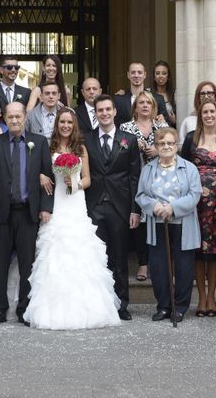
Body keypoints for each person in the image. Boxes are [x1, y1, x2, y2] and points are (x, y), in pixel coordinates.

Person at [24, 107, 121, 329]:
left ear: (74, 125)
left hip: (75, 202)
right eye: (62, 122)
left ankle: (88, 310)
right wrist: (41, 175)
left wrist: (74, 183)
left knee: (79, 252)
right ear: (57, 124)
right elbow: (40, 172)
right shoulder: (47, 147)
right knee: (56, 251)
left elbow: (88, 179)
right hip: (56, 202)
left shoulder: (81, 148)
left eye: (69, 122)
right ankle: (53, 311)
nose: (66, 126)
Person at [0, 102, 54, 327]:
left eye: (18, 116)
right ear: (4, 118)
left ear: (25, 117)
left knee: (27, 264)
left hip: (28, 213)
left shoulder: (40, 142)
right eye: (10, 117)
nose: (14, 120)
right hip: (3, 213)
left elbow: (47, 177)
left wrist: (45, 207)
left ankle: (24, 308)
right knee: (1, 263)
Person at [136, 127, 202, 323]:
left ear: (176, 145)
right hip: (157, 221)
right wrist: (155, 206)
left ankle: (179, 307)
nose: (166, 146)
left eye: (170, 143)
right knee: (158, 266)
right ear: (156, 146)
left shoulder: (189, 168)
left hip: (183, 222)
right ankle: (164, 306)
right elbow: (141, 195)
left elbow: (194, 194)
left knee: (183, 266)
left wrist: (172, 207)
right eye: (162, 143)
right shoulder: (148, 169)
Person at [84, 94, 141, 321]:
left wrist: (135, 209)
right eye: (100, 110)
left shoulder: (129, 139)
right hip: (94, 205)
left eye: (108, 109)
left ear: (115, 112)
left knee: (119, 258)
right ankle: (100, 303)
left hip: (120, 205)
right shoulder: (86, 140)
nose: (105, 113)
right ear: (95, 113)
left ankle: (121, 304)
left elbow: (134, 177)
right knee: (97, 258)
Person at [181, 99, 216, 317]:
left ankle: (212, 296)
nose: (209, 115)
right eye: (205, 112)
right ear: (200, 115)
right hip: (197, 201)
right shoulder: (191, 139)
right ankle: (201, 297)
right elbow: (182, 167)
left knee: (215, 251)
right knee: (198, 250)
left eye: (212, 111)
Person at [119, 91, 168, 282]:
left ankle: (158, 262)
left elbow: (171, 148)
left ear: (154, 106)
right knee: (138, 220)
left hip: (159, 181)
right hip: (134, 178)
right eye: (141, 102)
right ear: (135, 107)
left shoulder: (162, 126)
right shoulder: (126, 127)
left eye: (149, 102)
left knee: (155, 219)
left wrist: (157, 150)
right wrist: (132, 145)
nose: (145, 105)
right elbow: (120, 148)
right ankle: (143, 263)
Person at [114, 62, 170, 127]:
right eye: (133, 72)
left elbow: (167, 125)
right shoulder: (119, 100)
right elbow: (115, 125)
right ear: (128, 75)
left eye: (139, 72)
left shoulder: (158, 99)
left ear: (144, 75)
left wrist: (163, 120)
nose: (136, 75)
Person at [178, 81, 216, 146]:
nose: (206, 97)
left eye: (209, 93)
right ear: (198, 97)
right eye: (202, 94)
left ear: (215, 96)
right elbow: (182, 147)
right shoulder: (188, 121)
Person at [151, 60, 176, 127]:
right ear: (154, 76)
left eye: (164, 73)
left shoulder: (175, 94)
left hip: (171, 131)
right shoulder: (148, 94)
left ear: (168, 77)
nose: (160, 76)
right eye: (157, 73)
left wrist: (174, 120)